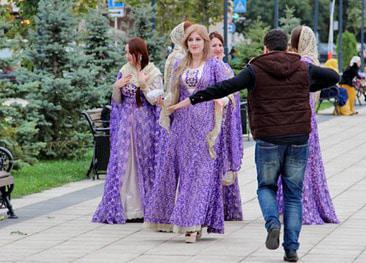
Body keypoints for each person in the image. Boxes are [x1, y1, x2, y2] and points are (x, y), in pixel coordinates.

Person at [168, 29, 339, 262]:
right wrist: (303, 85)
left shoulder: (255, 69)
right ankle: (291, 249)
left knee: (266, 187)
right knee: (293, 195)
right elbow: (332, 77)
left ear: (265, 48)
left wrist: (192, 99)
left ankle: (271, 224)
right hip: (298, 138)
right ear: (287, 47)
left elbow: (225, 87)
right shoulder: (302, 67)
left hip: (268, 138)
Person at [144, 24, 242, 243]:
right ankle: (188, 221)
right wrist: (165, 102)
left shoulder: (215, 66)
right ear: (186, 44)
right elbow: (173, 93)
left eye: (198, 39)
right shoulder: (180, 64)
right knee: (183, 173)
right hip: (181, 127)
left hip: (205, 128)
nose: (194, 43)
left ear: (204, 42)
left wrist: (222, 100)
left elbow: (229, 92)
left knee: (199, 176)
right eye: (191, 40)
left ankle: (192, 225)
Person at [92, 37, 163, 224]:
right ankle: (122, 207)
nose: (126, 56)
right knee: (123, 162)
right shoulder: (124, 71)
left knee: (143, 162)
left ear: (138, 53)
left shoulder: (153, 72)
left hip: (144, 125)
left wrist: (143, 83)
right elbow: (116, 100)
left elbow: (156, 101)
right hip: (126, 124)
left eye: (128, 52)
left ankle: (142, 208)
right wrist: (117, 86)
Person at [277, 25, 339, 225]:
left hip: (296, 117)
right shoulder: (312, 61)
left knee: (294, 162)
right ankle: (308, 202)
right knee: (309, 160)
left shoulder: (301, 62)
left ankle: (298, 205)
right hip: (309, 116)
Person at [209, 31, 244, 221]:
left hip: (227, 121)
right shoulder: (207, 68)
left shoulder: (227, 68)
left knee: (226, 161)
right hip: (212, 123)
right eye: (214, 45)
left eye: (220, 45)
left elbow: (234, 93)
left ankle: (228, 208)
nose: (218, 48)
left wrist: (228, 98)